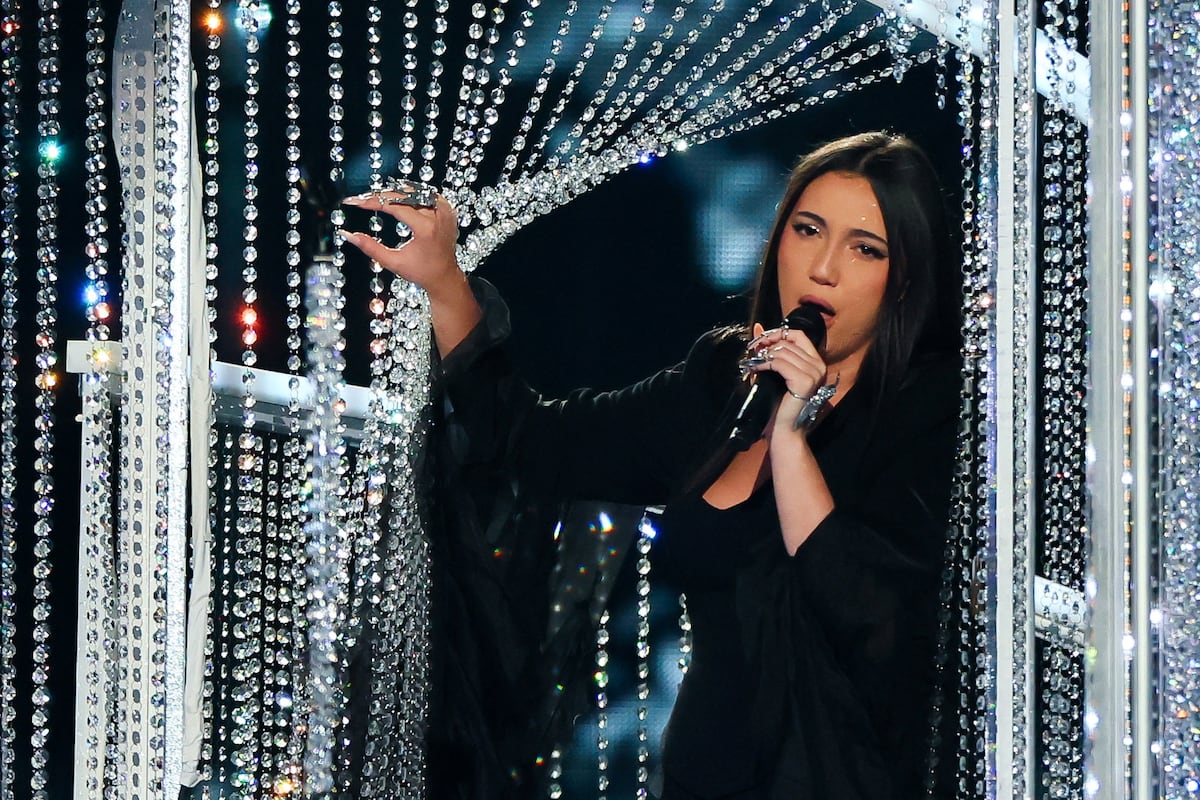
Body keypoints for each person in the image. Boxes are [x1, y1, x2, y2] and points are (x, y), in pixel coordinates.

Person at [340, 131, 963, 799]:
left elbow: (876, 625)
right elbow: (537, 444)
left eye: (865, 249)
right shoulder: (723, 379)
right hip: (702, 777)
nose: (824, 269)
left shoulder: (929, 413)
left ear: (906, 277)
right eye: (808, 231)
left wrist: (790, 439)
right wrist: (445, 282)